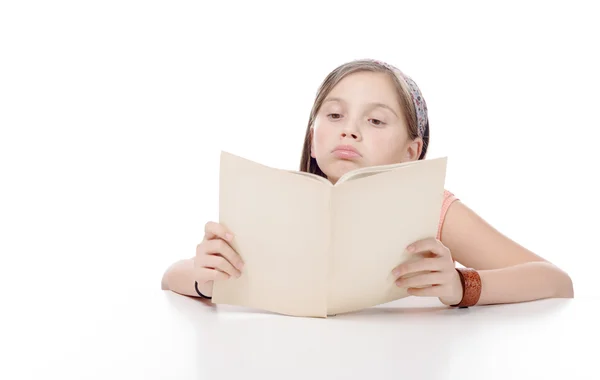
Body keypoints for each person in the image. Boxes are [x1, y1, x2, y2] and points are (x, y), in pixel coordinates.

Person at [161, 58, 574, 308]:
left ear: (412, 152)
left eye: (375, 120)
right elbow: (171, 277)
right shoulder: (275, 202)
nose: (349, 131)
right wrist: (204, 276)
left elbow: (556, 281)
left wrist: (460, 286)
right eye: (335, 115)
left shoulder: (433, 210)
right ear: (312, 135)